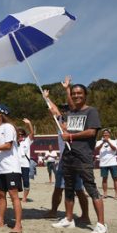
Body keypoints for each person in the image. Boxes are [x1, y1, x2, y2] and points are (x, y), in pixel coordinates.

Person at [52, 81, 108, 233]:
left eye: (79, 93)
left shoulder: (91, 111)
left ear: (85, 95)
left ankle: (101, 224)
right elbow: (69, 106)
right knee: (68, 188)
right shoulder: (71, 113)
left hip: (83, 156)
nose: (76, 96)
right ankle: (69, 219)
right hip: (68, 156)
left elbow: (91, 132)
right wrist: (66, 90)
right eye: (73, 93)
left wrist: (70, 135)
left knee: (90, 188)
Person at [42, 88, 89, 223]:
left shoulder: (77, 120)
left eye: (66, 109)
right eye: (62, 109)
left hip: (76, 158)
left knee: (79, 189)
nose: (63, 111)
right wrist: (46, 98)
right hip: (63, 159)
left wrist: (68, 90)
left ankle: (85, 215)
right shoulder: (60, 119)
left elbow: (67, 129)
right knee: (58, 187)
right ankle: (53, 211)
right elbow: (55, 109)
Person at [0, 104, 23, 233]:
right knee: (1, 195)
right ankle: (0, 220)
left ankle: (18, 224)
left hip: (11, 167)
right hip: (0, 168)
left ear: (1, 114)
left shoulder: (8, 127)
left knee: (14, 196)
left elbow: (8, 146)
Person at [95, 129, 117, 200]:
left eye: (106, 134)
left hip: (113, 163)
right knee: (104, 179)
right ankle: (105, 194)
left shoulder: (113, 141)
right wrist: (102, 143)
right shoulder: (99, 142)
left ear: (109, 134)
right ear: (103, 135)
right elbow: (97, 149)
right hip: (103, 163)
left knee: (115, 178)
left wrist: (108, 141)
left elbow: (115, 149)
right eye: (104, 134)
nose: (105, 135)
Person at [18, 118, 34, 203]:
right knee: (16, 182)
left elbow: (32, 133)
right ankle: (16, 197)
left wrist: (29, 123)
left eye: (22, 134)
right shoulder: (14, 142)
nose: (20, 136)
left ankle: (24, 197)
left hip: (25, 165)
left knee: (26, 181)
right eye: (19, 134)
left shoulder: (27, 141)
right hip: (16, 165)